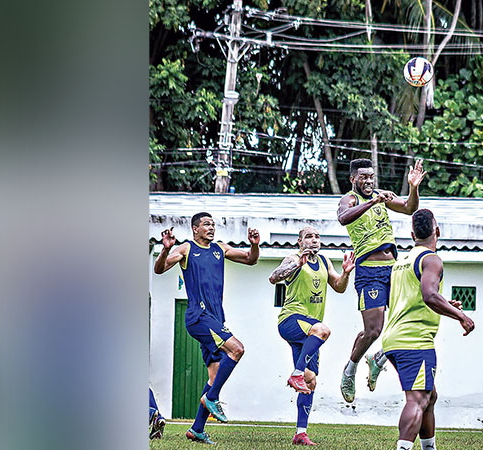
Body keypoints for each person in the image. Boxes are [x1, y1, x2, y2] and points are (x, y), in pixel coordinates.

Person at [154, 212, 260, 445]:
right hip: (198, 316)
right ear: (195, 229)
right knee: (237, 350)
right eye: (206, 224)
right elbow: (159, 269)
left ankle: (197, 429)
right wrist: (165, 249)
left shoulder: (220, 249)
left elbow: (250, 260)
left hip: (216, 319)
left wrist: (254, 246)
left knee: (214, 374)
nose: (211, 228)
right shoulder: (185, 249)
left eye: (213, 224)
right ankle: (212, 399)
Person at [382, 209, 475, 450]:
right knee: (418, 399)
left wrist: (444, 304)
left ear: (412, 234)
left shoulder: (401, 262)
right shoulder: (431, 259)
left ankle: (429, 447)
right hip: (415, 340)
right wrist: (460, 315)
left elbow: (409, 298)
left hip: (394, 338)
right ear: (438, 232)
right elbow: (429, 295)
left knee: (429, 397)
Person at [338, 158, 427, 403]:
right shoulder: (351, 199)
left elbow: (410, 208)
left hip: (393, 269)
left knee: (404, 320)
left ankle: (378, 360)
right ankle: (351, 368)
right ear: (353, 179)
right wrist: (374, 202)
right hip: (369, 271)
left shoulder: (381, 195)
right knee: (374, 329)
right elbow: (343, 217)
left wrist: (413, 187)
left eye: (371, 176)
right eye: (363, 177)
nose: (368, 181)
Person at [269, 226, 355, 446]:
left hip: (308, 332)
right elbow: (273, 277)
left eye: (317, 236)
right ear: (300, 242)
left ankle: (300, 432)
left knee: (310, 381)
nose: (314, 240)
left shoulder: (325, 262)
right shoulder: (293, 258)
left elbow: (339, 287)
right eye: (309, 237)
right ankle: (295, 373)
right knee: (323, 330)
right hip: (290, 320)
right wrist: (297, 265)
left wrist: (345, 273)